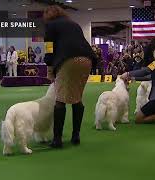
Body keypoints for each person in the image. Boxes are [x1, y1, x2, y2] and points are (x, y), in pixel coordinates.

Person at [43, 5, 96, 148]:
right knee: (77, 97)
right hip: (87, 60)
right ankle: (76, 135)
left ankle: (57, 140)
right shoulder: (75, 24)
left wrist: (49, 70)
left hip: (68, 61)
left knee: (60, 99)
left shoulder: (50, 26)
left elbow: (49, 49)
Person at [121, 43, 155, 124]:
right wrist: (134, 78)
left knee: (138, 119)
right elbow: (150, 76)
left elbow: (146, 70)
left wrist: (128, 74)